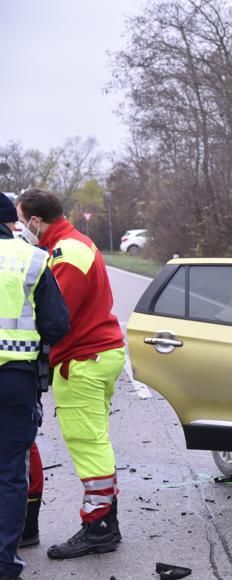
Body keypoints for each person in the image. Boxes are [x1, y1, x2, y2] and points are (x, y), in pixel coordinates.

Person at [16, 189, 126, 559]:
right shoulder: (75, 244)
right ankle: (105, 521)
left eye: (22, 219)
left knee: (87, 444)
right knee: (96, 439)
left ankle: (98, 527)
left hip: (82, 360)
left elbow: (56, 316)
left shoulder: (66, 252)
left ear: (34, 220)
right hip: (97, 355)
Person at [0, 192, 69, 580]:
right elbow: (58, 325)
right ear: (12, 223)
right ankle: (5, 570)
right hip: (15, 380)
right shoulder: (31, 260)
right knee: (9, 473)